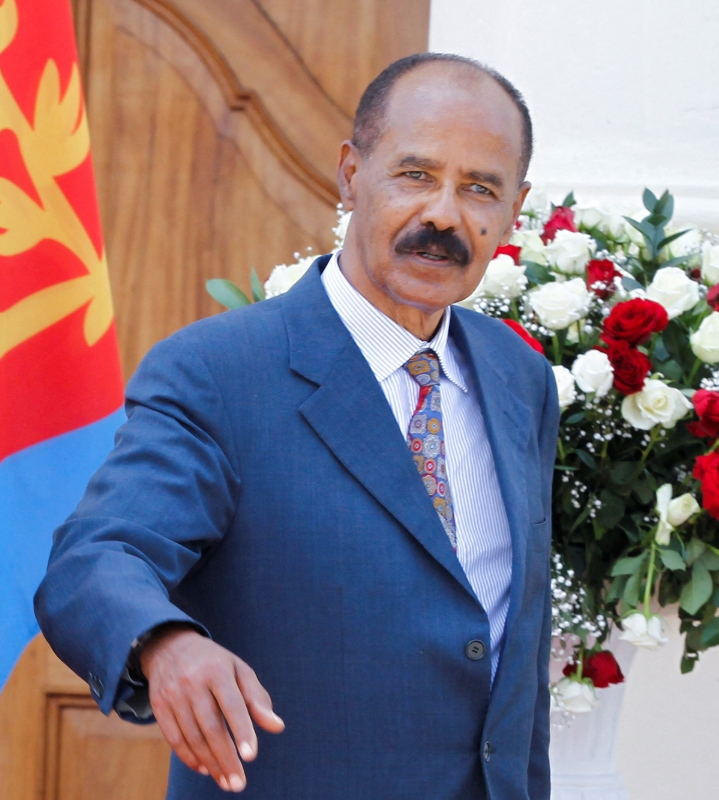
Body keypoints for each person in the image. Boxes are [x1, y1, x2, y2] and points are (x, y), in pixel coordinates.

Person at [36, 53, 557, 799]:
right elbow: (96, 557)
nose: (444, 215)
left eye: (480, 188)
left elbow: (510, 654)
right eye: (415, 175)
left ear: (514, 210)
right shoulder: (220, 371)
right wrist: (165, 643)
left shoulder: (521, 380)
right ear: (351, 173)